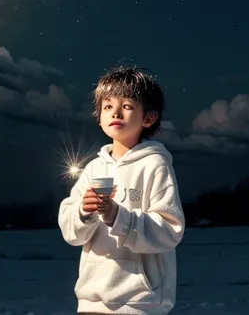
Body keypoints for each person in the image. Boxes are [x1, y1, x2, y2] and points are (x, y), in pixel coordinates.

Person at [58, 65, 185, 315]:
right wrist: (84, 212)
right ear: (99, 116)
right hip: (91, 302)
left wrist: (118, 216)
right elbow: (71, 233)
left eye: (127, 106)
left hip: (139, 303)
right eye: (108, 106)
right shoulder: (93, 168)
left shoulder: (155, 164)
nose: (115, 112)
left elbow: (171, 230)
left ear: (148, 118)